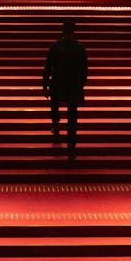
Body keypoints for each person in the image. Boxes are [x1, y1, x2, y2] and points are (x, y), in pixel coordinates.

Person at [43, 19, 88, 160]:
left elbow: (48, 66)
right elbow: (84, 69)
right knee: (72, 114)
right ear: (73, 31)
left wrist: (45, 84)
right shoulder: (80, 47)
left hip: (58, 81)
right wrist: (81, 84)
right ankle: (71, 146)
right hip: (73, 84)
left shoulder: (55, 46)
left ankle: (56, 125)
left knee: (55, 104)